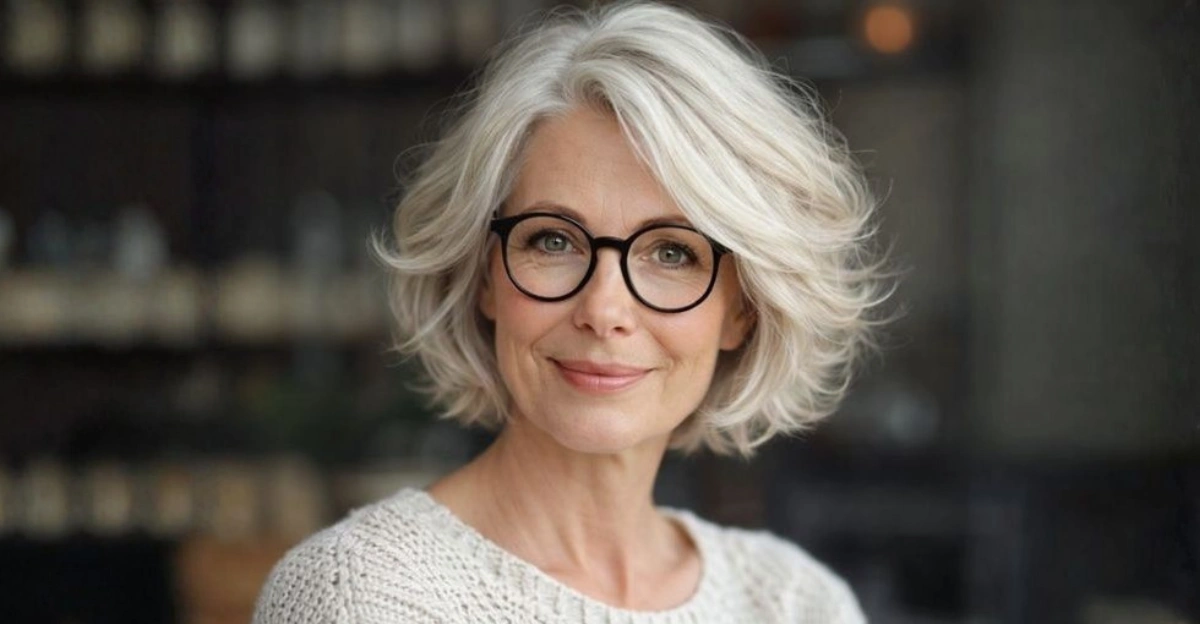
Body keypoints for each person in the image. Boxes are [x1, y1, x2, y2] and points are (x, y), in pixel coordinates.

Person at [254, 2, 885, 622]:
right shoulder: (358, 596)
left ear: (743, 310)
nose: (604, 309)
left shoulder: (796, 603)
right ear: (485, 275)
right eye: (552, 240)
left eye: (672, 252)